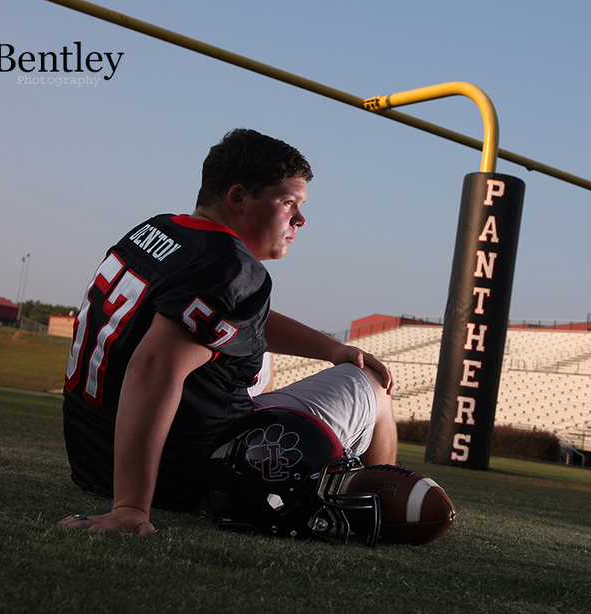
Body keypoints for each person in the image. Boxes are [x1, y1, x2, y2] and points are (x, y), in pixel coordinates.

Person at [58, 128, 397, 535]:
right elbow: (154, 366)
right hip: (194, 476)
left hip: (94, 461)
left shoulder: (157, 230)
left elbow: (233, 317)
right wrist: (130, 506)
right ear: (239, 198)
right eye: (289, 202)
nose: (300, 219)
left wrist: (330, 349)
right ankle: (385, 503)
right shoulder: (230, 267)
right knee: (373, 385)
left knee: (255, 351)